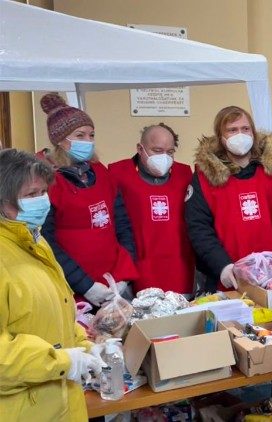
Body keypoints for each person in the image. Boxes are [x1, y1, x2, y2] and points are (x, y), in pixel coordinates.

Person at [0, 149, 105, 421]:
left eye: (43, 192)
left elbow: (58, 314)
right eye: (31, 194)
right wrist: (62, 362)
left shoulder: (35, 241)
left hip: (61, 404)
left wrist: (85, 346)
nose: (42, 201)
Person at [38, 93, 138, 306]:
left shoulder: (101, 173)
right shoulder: (45, 181)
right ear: (60, 140)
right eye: (80, 135)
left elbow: (123, 227)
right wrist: (86, 286)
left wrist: (123, 275)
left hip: (113, 287)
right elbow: (46, 241)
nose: (88, 141)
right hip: (72, 290)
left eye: (91, 135)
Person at [186, 105, 272, 293]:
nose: (240, 135)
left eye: (245, 129)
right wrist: (222, 266)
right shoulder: (204, 178)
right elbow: (198, 228)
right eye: (232, 130)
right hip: (230, 280)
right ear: (221, 137)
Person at [109, 123, 195, 296]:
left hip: (179, 267)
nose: (164, 156)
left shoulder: (184, 174)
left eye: (170, 152)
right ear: (140, 149)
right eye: (157, 150)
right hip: (139, 268)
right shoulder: (117, 173)